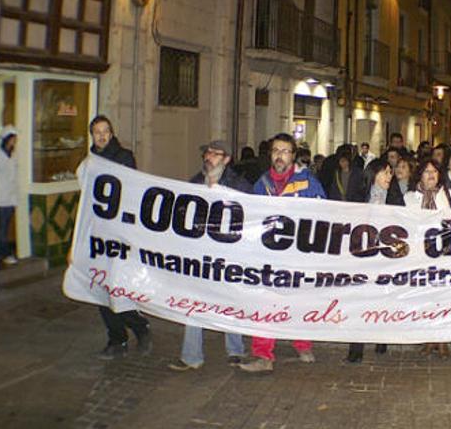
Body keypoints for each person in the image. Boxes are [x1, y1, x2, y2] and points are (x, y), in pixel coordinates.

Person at [240, 133, 326, 373]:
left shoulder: (308, 182)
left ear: (293, 155)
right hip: (269, 256)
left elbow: (325, 216)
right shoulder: (262, 183)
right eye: (275, 151)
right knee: (265, 301)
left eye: (285, 151)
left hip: (299, 257)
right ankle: (263, 356)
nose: (279, 155)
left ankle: (302, 344)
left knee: (299, 301)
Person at [169, 140, 251, 371]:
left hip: (228, 254)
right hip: (200, 254)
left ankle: (235, 350)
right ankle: (191, 355)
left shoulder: (239, 185)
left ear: (226, 160)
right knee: (194, 301)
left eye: (216, 154)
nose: (209, 157)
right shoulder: (195, 183)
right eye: (207, 152)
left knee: (229, 301)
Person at [87, 115, 153, 360]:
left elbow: (129, 191)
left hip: (119, 235)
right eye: (97, 132)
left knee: (117, 288)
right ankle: (117, 339)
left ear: (112, 133)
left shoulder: (123, 157)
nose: (102, 136)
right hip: (98, 235)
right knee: (99, 288)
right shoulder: (90, 162)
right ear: (92, 136)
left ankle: (139, 326)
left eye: (105, 131)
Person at [346, 159, 405, 363]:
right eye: (385, 172)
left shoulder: (396, 199)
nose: (389, 176)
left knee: (382, 299)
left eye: (391, 173)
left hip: (386, 259)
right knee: (359, 300)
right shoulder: (357, 198)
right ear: (373, 175)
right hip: (362, 257)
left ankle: (381, 338)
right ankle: (356, 347)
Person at [405, 159, 451, 359]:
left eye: (434, 171)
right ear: (419, 175)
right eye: (426, 171)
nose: (430, 175)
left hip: (444, 254)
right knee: (426, 297)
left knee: (443, 297)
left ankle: (443, 340)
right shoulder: (410, 198)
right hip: (420, 254)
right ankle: (429, 338)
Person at [0, 125, 19, 267]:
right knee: (1, 229)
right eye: (12, 140)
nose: (14, 143)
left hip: (10, 198)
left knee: (4, 227)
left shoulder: (13, 156)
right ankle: (5, 253)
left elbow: (14, 179)